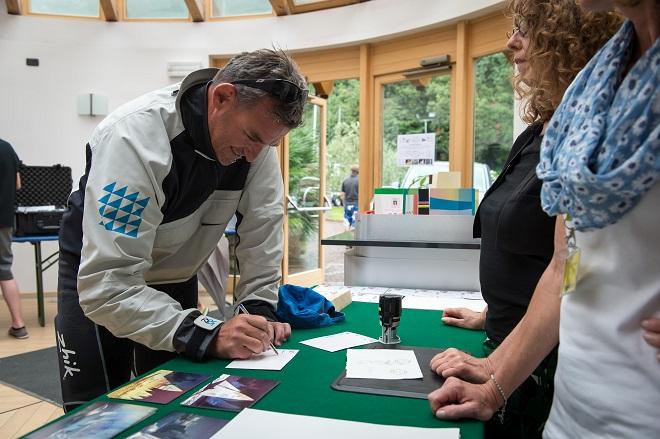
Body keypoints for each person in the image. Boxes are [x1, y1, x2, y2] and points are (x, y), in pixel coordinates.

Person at [428, 1, 660, 437]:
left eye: (527, 30)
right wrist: (496, 383)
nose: (511, 43)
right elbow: (565, 265)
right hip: (572, 410)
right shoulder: (594, 93)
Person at [55, 49, 308, 411]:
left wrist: (258, 312)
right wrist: (208, 332)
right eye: (253, 137)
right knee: (93, 415)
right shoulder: (134, 137)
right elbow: (107, 286)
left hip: (176, 271)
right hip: (100, 281)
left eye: (269, 144)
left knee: (178, 408)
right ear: (222, 97)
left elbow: (263, 234)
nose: (254, 156)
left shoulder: (257, 147)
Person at [0, 138, 28, 339]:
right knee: (4, 269)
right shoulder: (7, 148)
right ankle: (19, 325)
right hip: (4, 219)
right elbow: (18, 184)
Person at [341, 164, 359, 229]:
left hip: (347, 204)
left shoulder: (345, 180)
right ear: (358, 171)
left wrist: (344, 203)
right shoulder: (360, 181)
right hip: (357, 204)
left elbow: (342, 194)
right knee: (355, 226)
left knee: (346, 224)